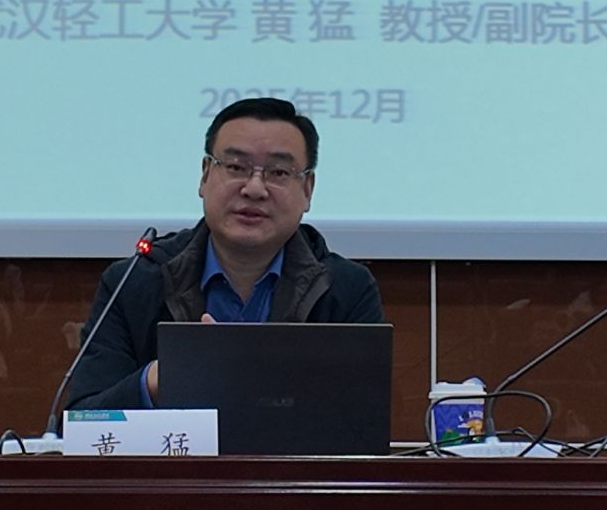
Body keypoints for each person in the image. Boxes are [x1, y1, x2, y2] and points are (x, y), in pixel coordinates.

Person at [64, 97, 383, 411]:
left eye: (279, 172)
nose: (254, 189)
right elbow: (83, 420)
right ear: (205, 175)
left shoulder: (346, 289)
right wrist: (154, 382)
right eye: (235, 167)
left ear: (307, 189)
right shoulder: (133, 282)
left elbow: (362, 425)